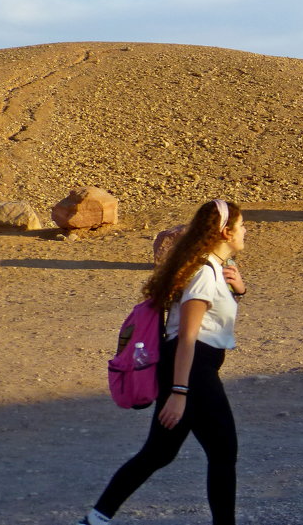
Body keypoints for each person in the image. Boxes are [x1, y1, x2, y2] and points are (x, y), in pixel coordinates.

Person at [77, 199, 247, 525]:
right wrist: (179, 393)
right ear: (226, 232)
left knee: (158, 453)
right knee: (224, 453)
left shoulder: (213, 269)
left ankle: (95, 520)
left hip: (189, 370)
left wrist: (239, 290)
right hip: (192, 370)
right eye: (241, 227)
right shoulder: (203, 274)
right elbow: (187, 337)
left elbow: (212, 322)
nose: (246, 232)